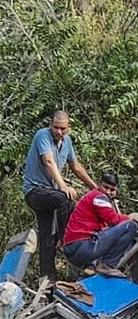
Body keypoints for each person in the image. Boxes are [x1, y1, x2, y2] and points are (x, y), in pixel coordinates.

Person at [23, 110, 97, 280]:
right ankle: (66, 241)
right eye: (56, 127)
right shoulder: (43, 135)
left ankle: (48, 281)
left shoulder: (67, 142)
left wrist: (95, 188)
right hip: (36, 191)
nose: (59, 132)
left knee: (46, 239)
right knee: (65, 199)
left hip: (50, 193)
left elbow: (76, 167)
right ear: (51, 125)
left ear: (68, 128)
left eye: (63, 129)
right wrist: (63, 186)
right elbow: (48, 161)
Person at [62, 173, 138, 275]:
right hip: (80, 246)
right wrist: (129, 218)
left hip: (73, 248)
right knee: (130, 226)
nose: (108, 192)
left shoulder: (92, 196)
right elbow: (113, 220)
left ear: (116, 191)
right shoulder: (99, 197)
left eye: (112, 190)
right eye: (105, 187)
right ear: (99, 185)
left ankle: (92, 265)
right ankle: (107, 265)